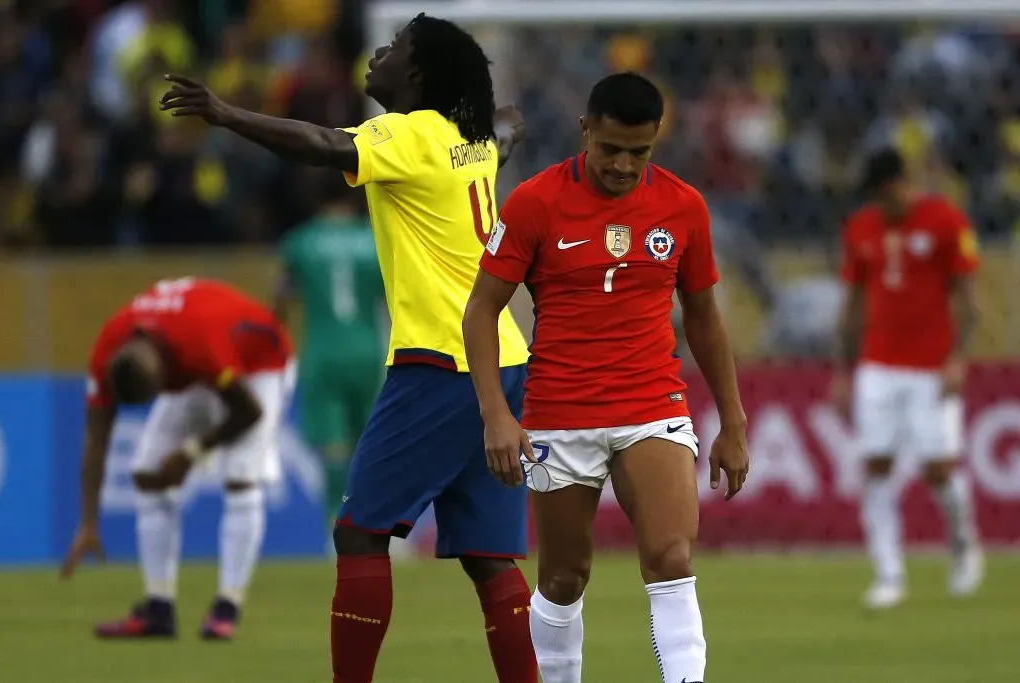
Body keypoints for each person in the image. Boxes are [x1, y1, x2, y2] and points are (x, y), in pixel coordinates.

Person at [159, 14, 538, 683]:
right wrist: (503, 123)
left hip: (440, 359)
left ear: (417, 76)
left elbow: (323, 143)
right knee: (488, 557)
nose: (377, 55)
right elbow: (505, 129)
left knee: (359, 532)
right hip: (504, 355)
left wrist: (224, 113)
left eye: (393, 50)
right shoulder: (469, 138)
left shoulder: (412, 130)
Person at [463, 73, 750, 683]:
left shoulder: (683, 206)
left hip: (653, 404)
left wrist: (733, 420)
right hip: (559, 412)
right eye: (611, 149)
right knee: (564, 577)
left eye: (639, 153)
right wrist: (495, 413)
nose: (624, 165)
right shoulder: (535, 203)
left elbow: (703, 317)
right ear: (585, 131)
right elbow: (481, 309)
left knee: (672, 557)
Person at [60, 277, 293, 640]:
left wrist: (189, 453)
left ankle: (226, 608)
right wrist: (88, 523)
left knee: (241, 476)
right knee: (146, 472)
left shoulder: (200, 345)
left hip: (261, 360)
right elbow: (96, 438)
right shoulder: (107, 351)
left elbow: (249, 412)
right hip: (199, 365)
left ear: (165, 375)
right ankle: (158, 611)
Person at [830, 148, 983, 609]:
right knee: (875, 463)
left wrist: (958, 358)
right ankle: (889, 573)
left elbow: (966, 298)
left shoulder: (945, 220)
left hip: (932, 366)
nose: (881, 204)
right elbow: (854, 302)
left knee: (938, 468)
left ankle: (962, 542)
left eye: (884, 193)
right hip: (879, 363)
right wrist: (844, 370)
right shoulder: (862, 227)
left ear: (901, 182)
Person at [275, 179, 385, 529]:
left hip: (323, 351)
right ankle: (378, 526)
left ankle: (336, 529)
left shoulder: (301, 241)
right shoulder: (374, 240)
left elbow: (281, 295)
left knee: (333, 449)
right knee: (369, 445)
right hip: (368, 350)